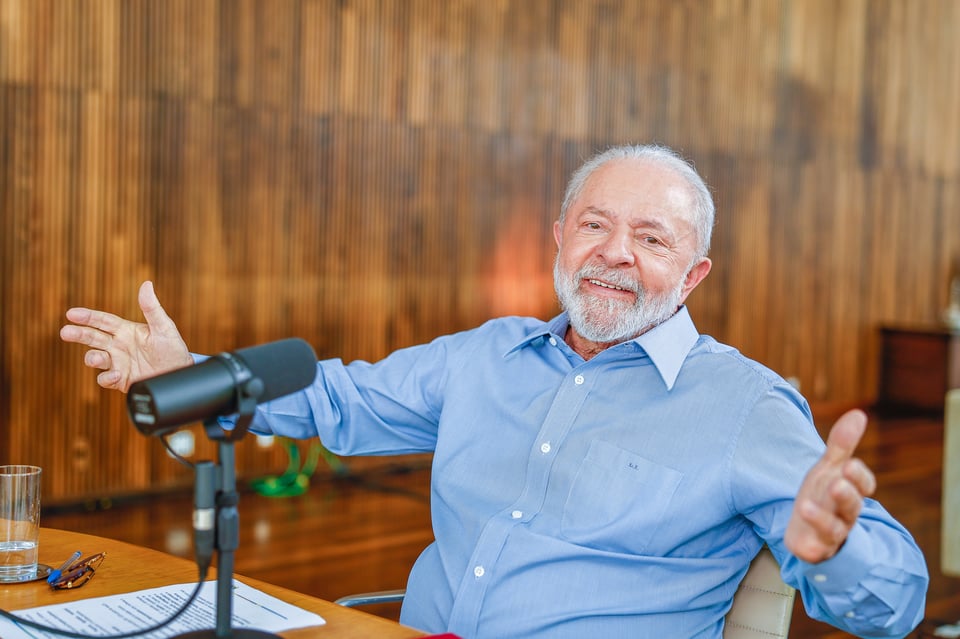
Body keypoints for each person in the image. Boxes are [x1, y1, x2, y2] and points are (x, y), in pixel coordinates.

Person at [60, 144, 928, 638]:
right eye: (594, 224)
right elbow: (337, 402)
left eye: (651, 238)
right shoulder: (488, 354)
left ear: (694, 274)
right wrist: (193, 375)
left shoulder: (746, 406)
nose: (614, 252)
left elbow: (895, 604)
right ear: (560, 239)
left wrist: (834, 547)